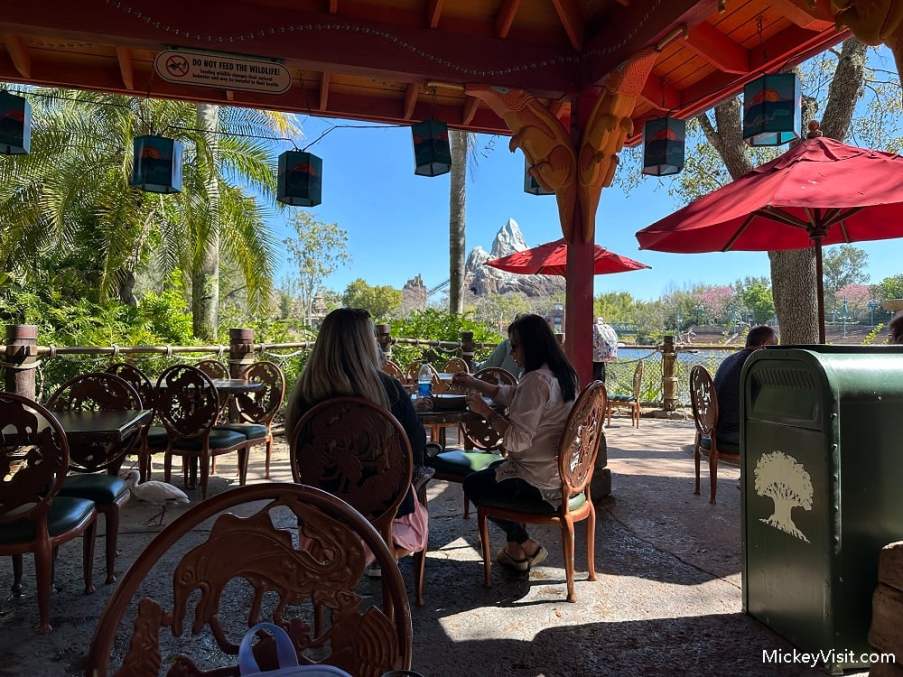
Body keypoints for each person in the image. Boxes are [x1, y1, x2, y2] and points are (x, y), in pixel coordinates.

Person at [286, 307, 430, 563]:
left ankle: (351, 560)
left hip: (323, 519)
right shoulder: (388, 389)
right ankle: (378, 556)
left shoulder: (305, 394)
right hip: (386, 518)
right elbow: (416, 446)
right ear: (366, 344)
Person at [454, 314, 578, 572]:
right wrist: (475, 382)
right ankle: (515, 553)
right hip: (563, 476)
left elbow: (517, 442)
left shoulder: (536, 380)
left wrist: (486, 413)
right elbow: (518, 397)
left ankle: (527, 544)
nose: (511, 353)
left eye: (514, 346)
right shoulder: (562, 374)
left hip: (539, 483)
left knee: (473, 483)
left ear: (531, 344)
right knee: (492, 472)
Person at [713, 325, 777, 448]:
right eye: (774, 347)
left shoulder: (729, 360)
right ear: (765, 345)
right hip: (736, 434)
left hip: (715, 430)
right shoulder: (756, 365)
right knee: (791, 435)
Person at [592, 316, 618, 383]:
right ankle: (601, 388)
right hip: (606, 354)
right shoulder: (606, 327)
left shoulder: (594, 328)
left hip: (596, 356)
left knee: (596, 373)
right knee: (601, 370)